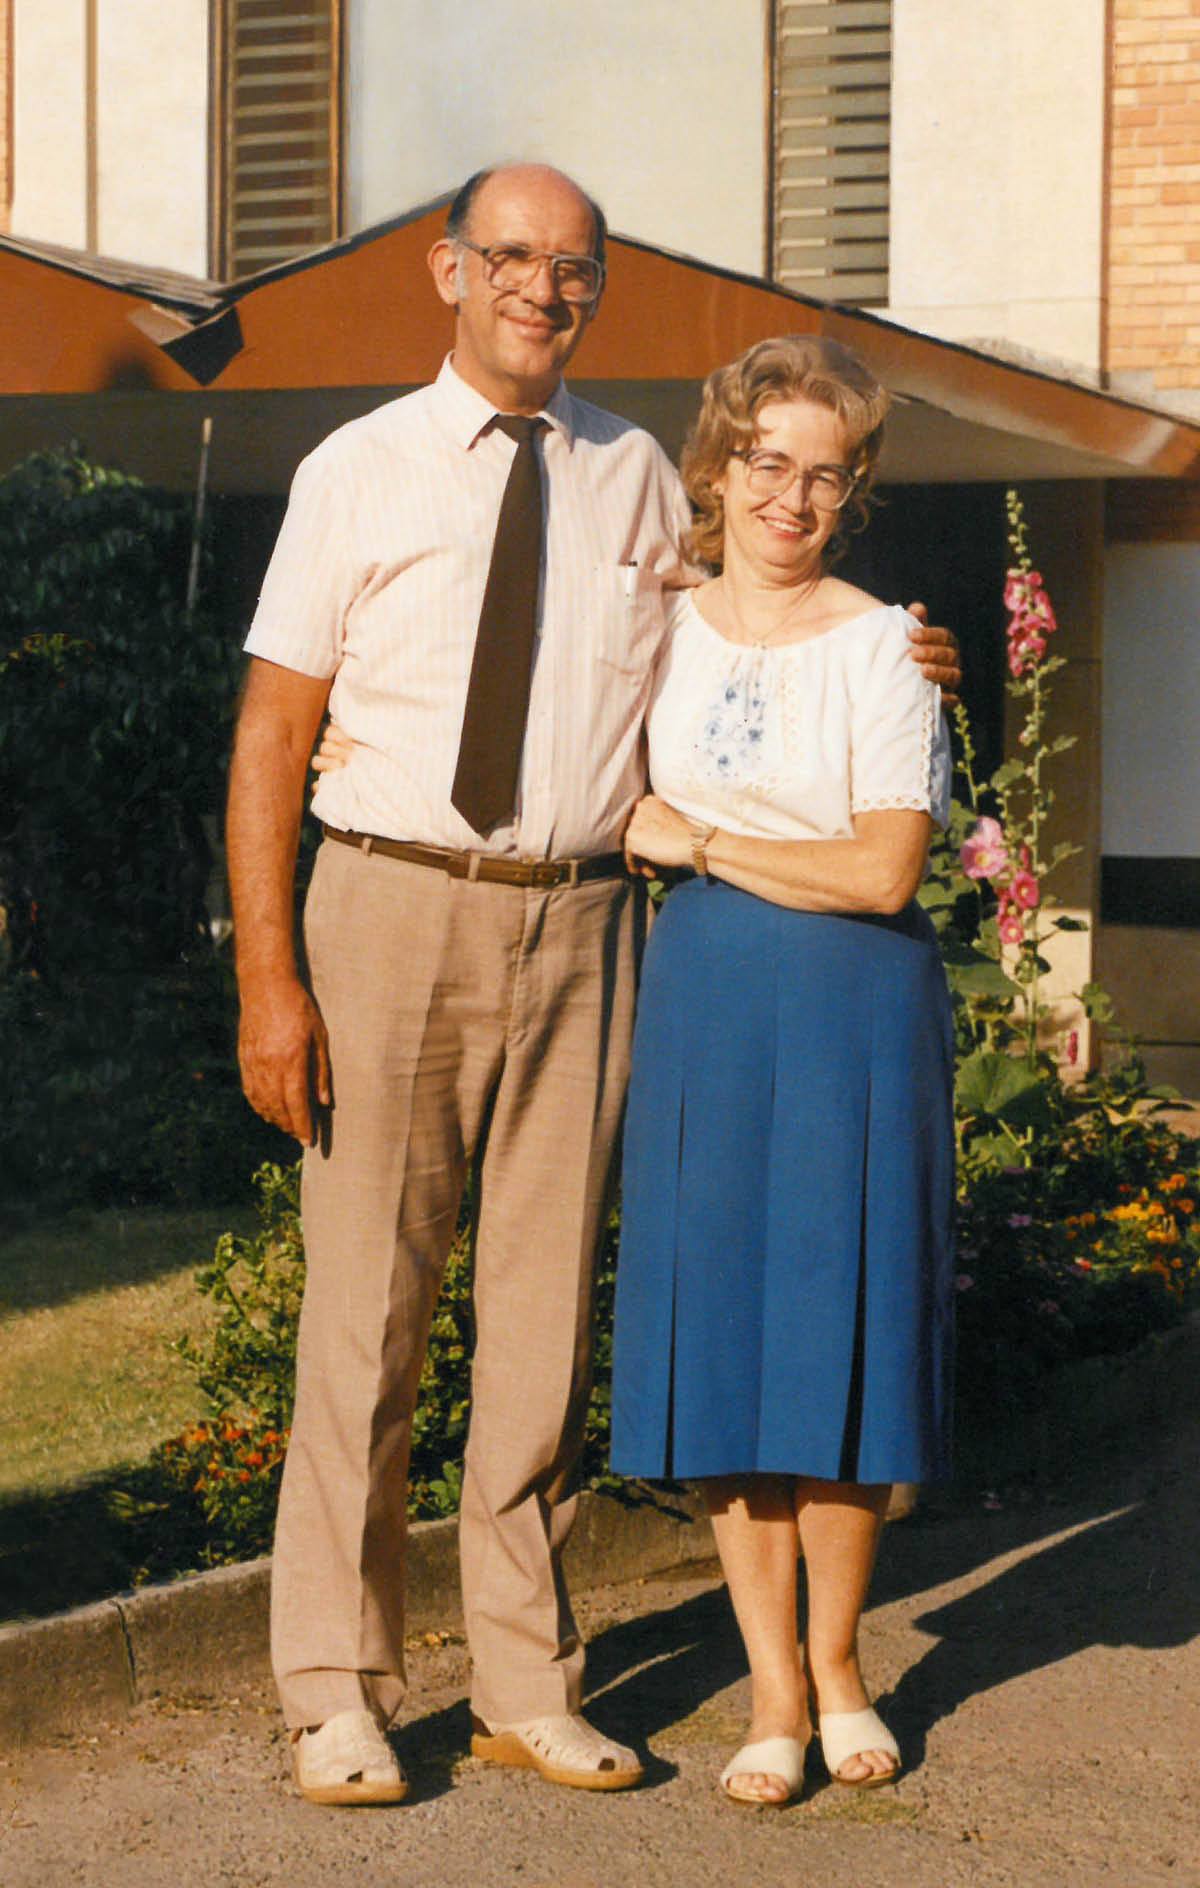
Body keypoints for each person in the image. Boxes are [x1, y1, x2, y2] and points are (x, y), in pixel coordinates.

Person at [226, 162, 960, 1807]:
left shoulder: (640, 479)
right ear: (446, 273)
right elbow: (275, 734)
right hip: (396, 904)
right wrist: (274, 978)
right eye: (510, 260)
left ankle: (522, 1679)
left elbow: (765, 614)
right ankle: (338, 1688)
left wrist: (913, 651)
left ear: (596, 291)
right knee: (368, 1324)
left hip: (584, 924)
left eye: (572, 268)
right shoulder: (357, 470)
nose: (540, 291)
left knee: (546, 1323)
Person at [610, 334, 956, 1809]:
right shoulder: (656, 621)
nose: (793, 498)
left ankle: (841, 1668)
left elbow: (884, 872)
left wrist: (694, 840)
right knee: (729, 1348)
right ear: (723, 465)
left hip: (851, 1013)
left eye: (826, 473)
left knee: (841, 1338)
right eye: (769, 464)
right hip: (705, 1004)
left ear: (852, 489)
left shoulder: (886, 646)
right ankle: (768, 1690)